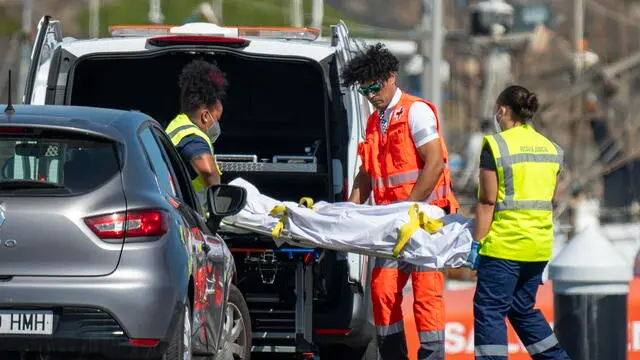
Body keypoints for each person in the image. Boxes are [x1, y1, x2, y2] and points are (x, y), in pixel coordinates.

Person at [341, 43, 459, 360]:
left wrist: (408, 210)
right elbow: (366, 175)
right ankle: (393, 355)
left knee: (426, 294)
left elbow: (434, 164)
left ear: (391, 78)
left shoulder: (415, 111)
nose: (371, 95)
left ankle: (432, 356)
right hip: (392, 225)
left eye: (375, 88)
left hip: (423, 221)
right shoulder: (373, 122)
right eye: (365, 91)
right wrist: (349, 211)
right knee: (381, 290)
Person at [472, 85, 570, 360]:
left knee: (489, 310)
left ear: (502, 110)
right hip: (538, 248)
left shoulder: (496, 145)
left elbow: (487, 201)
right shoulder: (551, 149)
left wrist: (476, 245)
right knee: (521, 308)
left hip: (505, 246)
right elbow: (548, 196)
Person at [165, 59, 227, 208]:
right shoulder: (191, 136)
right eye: (217, 119)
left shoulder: (178, 125)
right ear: (205, 116)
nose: (217, 125)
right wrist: (218, 205)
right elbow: (207, 170)